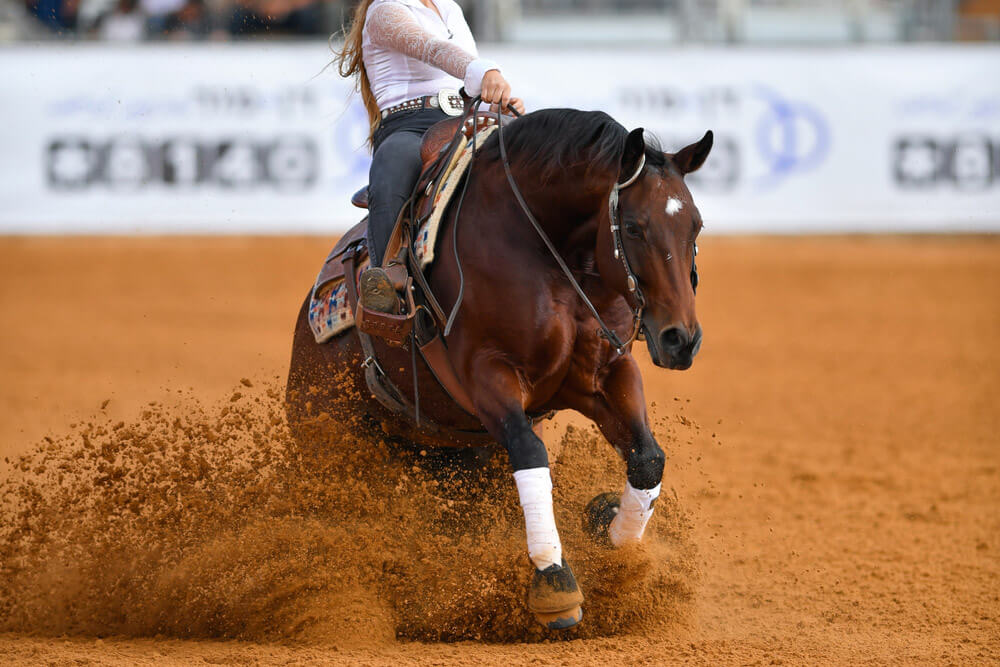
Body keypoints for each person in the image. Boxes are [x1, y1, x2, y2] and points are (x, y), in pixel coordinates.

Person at [335, 0, 525, 314]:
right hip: (409, 126)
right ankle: (386, 280)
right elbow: (432, 49)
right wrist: (485, 71)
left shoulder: (448, 7)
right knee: (393, 164)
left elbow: (461, 82)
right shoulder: (384, 10)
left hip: (465, 119)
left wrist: (492, 104)